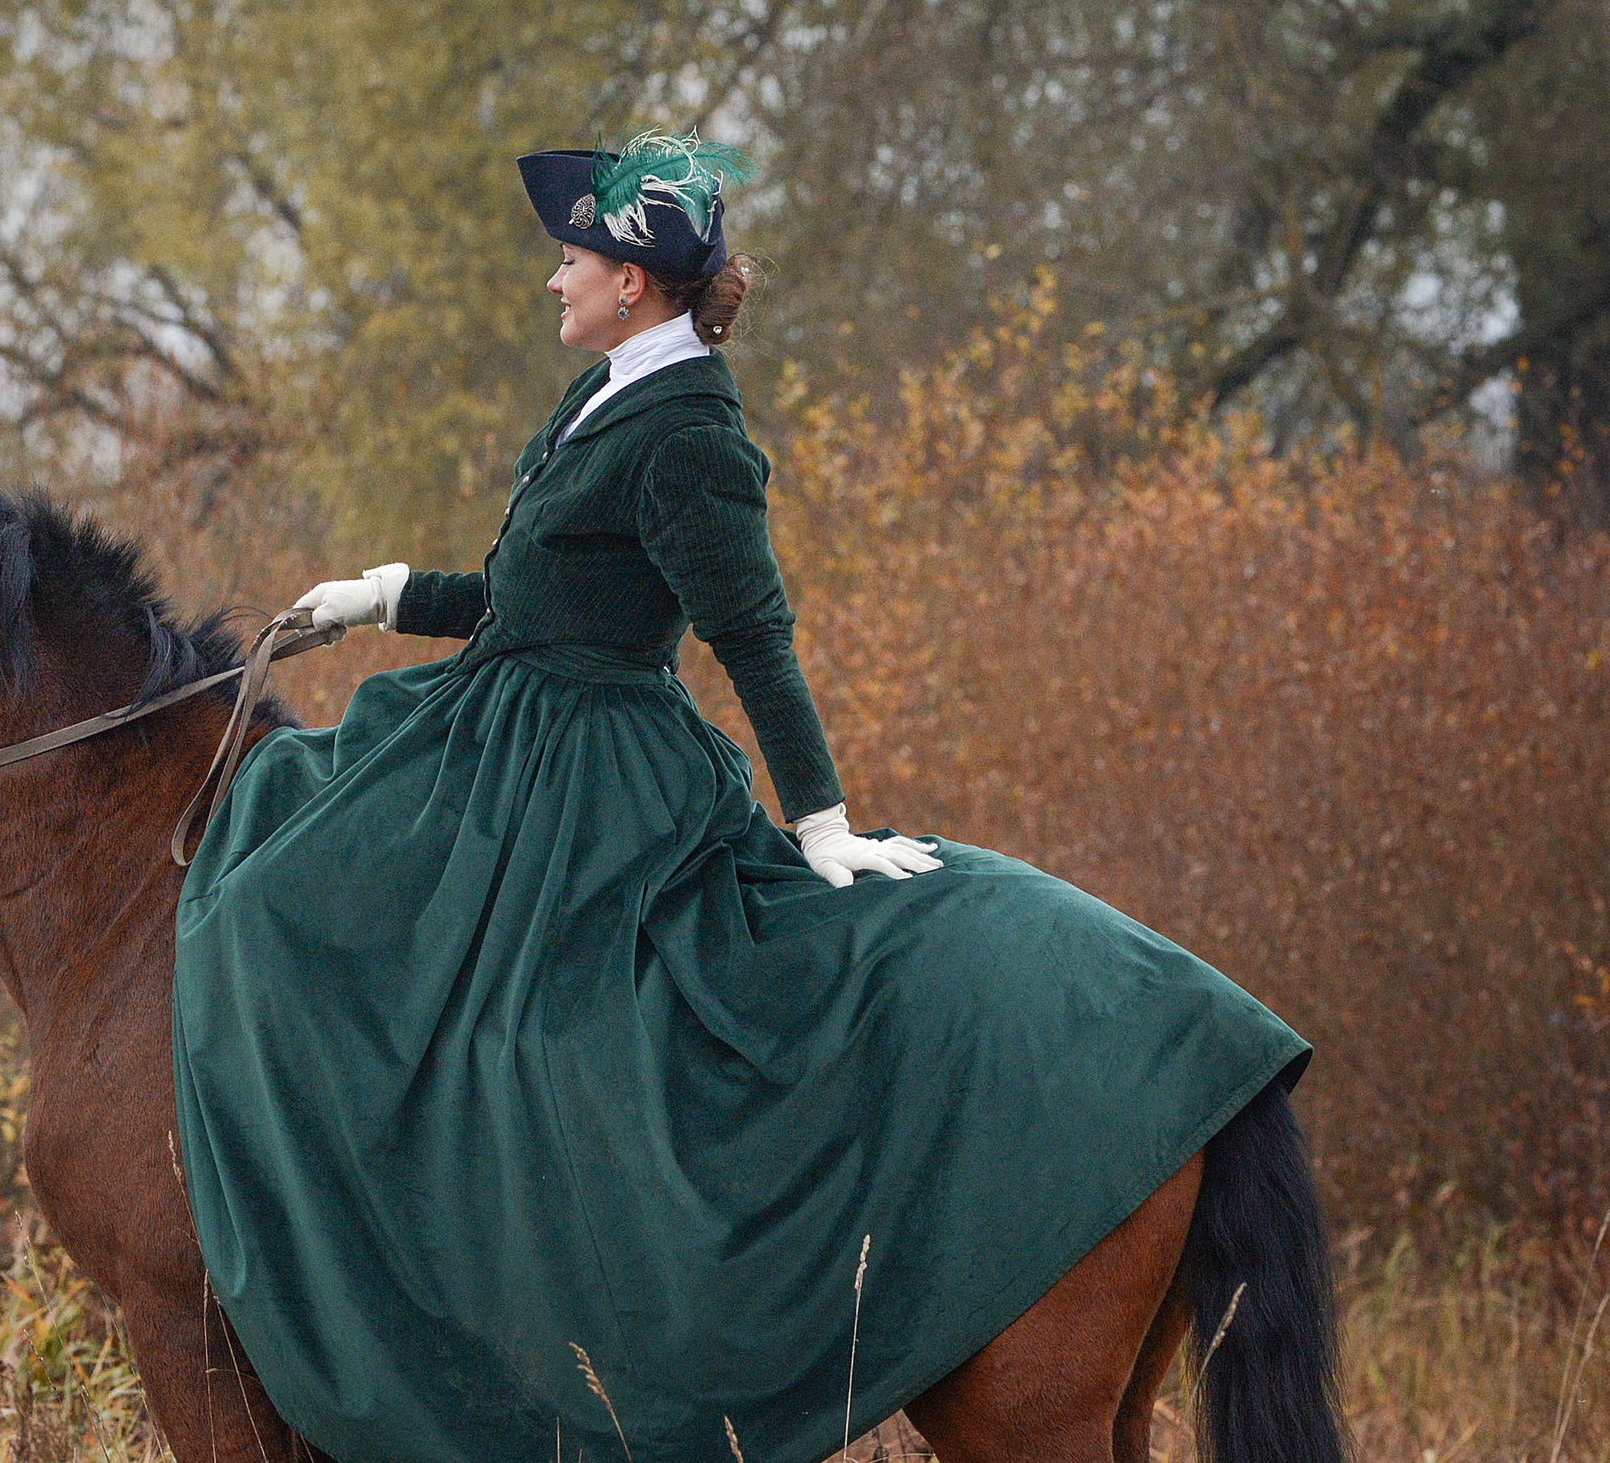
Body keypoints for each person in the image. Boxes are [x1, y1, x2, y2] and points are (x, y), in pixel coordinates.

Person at [169, 134, 1309, 1463]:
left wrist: (822, 822)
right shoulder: (605, 394)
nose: (554, 280)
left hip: (586, 781)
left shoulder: (692, 435)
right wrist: (384, 596)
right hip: (508, 729)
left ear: (635, 283)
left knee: (483, 1020)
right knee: (284, 858)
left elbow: (754, 638)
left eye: (573, 258)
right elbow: (540, 599)